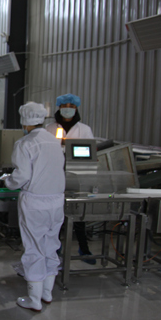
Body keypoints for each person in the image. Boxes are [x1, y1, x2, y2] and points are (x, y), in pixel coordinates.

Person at [2, 102, 65, 312]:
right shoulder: (54, 141)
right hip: (57, 201)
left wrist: (7, 181)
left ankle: (34, 299)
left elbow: (21, 176)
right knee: (50, 246)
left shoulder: (25, 143)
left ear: (25, 122)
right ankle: (47, 293)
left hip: (35, 202)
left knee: (34, 248)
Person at [45, 93, 95, 264]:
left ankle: (84, 248)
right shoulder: (49, 129)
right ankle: (55, 248)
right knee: (56, 214)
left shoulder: (84, 130)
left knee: (78, 213)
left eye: (71, 106)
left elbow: (89, 155)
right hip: (54, 176)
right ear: (59, 107)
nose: (68, 109)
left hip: (77, 175)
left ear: (76, 108)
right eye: (65, 106)